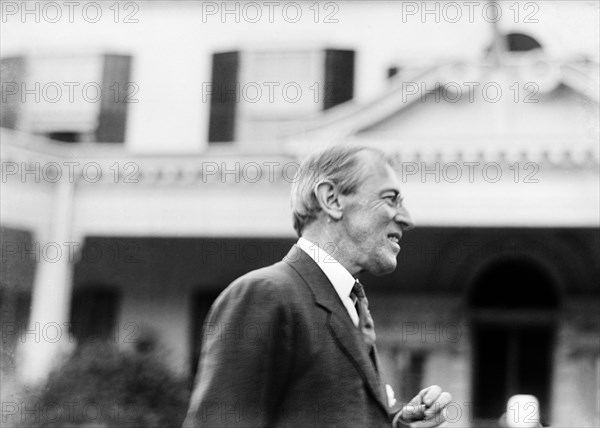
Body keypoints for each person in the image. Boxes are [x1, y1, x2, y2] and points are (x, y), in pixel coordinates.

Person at [183, 145, 452, 427]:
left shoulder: (348, 304)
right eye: (390, 199)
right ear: (332, 199)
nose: (407, 218)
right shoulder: (265, 294)